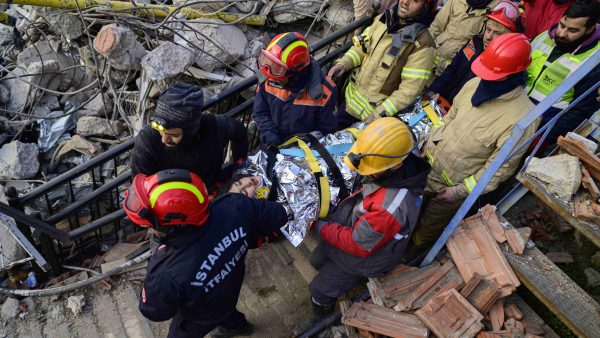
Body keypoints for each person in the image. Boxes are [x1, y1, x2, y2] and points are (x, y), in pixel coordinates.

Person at [411, 33, 540, 252]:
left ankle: (408, 260)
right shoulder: (474, 84)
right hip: (425, 168)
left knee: (425, 232)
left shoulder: (524, 118)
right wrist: (429, 142)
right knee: (406, 217)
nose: (486, 78)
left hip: (450, 190)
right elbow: (450, 118)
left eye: (493, 73)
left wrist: (459, 192)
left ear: (514, 73)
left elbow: (498, 169)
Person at [123, 169, 288, 337]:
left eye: (150, 225)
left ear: (171, 227)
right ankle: (241, 328)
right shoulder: (235, 206)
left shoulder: (165, 273)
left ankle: (238, 327)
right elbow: (279, 215)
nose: (148, 228)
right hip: (229, 291)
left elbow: (155, 312)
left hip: (200, 314)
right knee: (226, 312)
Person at [307, 117, 431, 315]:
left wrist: (319, 226)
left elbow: (358, 244)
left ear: (394, 167)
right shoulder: (396, 158)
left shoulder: (390, 208)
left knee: (319, 291)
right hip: (353, 232)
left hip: (363, 258)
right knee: (317, 260)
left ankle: (323, 314)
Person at [328, 0, 436, 128]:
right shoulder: (383, 19)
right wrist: (344, 63)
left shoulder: (423, 46)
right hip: (348, 105)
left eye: (415, 1)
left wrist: (378, 114)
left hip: (374, 120)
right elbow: (361, 48)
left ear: (426, 7)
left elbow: (408, 91)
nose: (405, 2)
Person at [130, 82, 248, 191]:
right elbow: (140, 186)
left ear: (191, 131)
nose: (163, 139)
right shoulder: (148, 140)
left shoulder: (215, 128)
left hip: (207, 193)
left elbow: (240, 132)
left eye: (174, 135)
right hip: (165, 200)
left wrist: (239, 167)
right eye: (160, 129)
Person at [525, 0, 600, 145]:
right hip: (512, 117)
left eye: (573, 30)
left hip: (540, 131)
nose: (562, 33)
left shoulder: (594, 60)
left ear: (589, 30)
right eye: (562, 25)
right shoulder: (543, 38)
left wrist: (543, 139)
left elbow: (580, 110)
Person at [252, 32, 338, 147]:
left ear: (296, 73)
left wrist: (306, 140)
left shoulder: (325, 92)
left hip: (305, 151)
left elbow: (328, 130)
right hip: (273, 142)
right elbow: (260, 112)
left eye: (277, 69)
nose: (270, 71)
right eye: (267, 61)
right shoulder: (267, 77)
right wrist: (270, 136)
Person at [428, 0, 520, 103]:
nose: (489, 37)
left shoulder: (502, 66)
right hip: (441, 99)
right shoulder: (474, 44)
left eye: (497, 33)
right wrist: (434, 90)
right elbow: (452, 69)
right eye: (488, 30)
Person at [428, 0, 500, 77]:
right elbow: (435, 28)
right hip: (432, 59)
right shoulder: (456, 1)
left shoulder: (497, 8)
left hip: (457, 68)